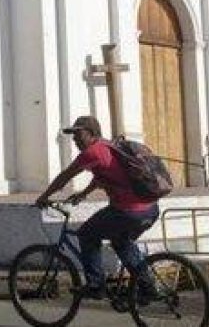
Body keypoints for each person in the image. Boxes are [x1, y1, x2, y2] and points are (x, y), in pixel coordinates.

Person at [33, 116, 159, 300]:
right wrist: (84, 193)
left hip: (128, 211)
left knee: (87, 234)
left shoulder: (91, 153)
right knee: (121, 241)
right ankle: (147, 287)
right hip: (149, 209)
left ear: (91, 134)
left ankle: (95, 284)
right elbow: (104, 174)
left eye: (79, 134)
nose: (75, 139)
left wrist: (43, 197)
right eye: (73, 135)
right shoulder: (108, 147)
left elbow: (65, 176)